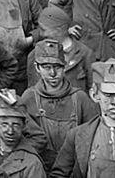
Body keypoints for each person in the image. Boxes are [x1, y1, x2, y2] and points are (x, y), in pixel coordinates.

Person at [18, 39, 98, 169]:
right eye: (46, 67)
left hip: (74, 169)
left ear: (65, 66)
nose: (52, 73)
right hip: (41, 169)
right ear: (37, 67)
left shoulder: (79, 98)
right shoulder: (29, 98)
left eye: (57, 67)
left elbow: (94, 137)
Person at [25, 7, 95, 92]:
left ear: (59, 30)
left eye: (44, 30)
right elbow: (32, 92)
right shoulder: (34, 55)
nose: (41, 34)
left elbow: (93, 90)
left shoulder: (85, 54)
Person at [0, 95, 47, 178]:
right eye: (4, 124)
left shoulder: (31, 163)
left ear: (24, 125)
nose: (10, 131)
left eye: (16, 125)